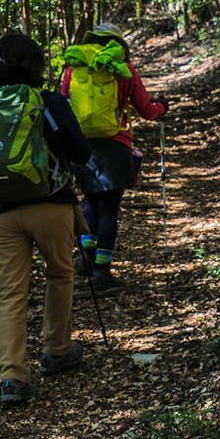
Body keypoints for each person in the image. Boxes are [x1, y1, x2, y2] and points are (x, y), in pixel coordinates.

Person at [0, 34, 92, 404]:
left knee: (12, 292)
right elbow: (80, 149)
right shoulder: (47, 102)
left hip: (0, 212)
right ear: (36, 65)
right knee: (60, 273)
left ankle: (12, 377)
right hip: (50, 204)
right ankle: (57, 351)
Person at [61, 22, 168, 290]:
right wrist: (162, 108)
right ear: (117, 44)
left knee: (91, 202)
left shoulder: (74, 69)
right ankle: (102, 273)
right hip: (116, 144)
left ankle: (87, 257)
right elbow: (145, 109)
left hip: (82, 145)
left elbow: (63, 103)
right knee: (109, 208)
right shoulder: (124, 69)